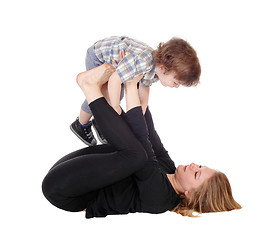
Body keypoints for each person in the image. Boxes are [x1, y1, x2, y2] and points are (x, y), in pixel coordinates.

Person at [42, 64, 241, 218]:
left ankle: (91, 88)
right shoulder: (168, 168)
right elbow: (148, 132)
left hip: (65, 191)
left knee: (137, 155)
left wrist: (129, 85)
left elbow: (142, 144)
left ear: (189, 194)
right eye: (200, 165)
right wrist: (140, 79)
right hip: (66, 169)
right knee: (136, 148)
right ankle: (103, 88)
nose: (192, 165)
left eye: (196, 173)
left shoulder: (161, 199)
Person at [70, 36, 201, 146]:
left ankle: (99, 121)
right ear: (163, 68)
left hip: (115, 65)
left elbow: (144, 87)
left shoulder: (155, 71)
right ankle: (81, 124)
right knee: (100, 95)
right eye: (176, 82)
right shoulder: (144, 63)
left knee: (113, 95)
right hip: (98, 58)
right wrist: (115, 108)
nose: (176, 87)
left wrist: (140, 111)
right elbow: (115, 80)